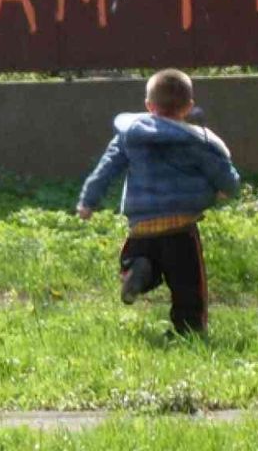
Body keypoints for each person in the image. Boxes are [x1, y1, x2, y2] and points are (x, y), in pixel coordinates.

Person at [76, 69, 240, 336]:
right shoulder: (195, 140)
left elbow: (106, 169)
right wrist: (227, 189)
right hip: (181, 227)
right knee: (188, 284)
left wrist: (89, 201)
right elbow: (220, 169)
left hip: (142, 226)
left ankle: (138, 271)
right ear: (188, 107)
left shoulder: (129, 135)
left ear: (148, 106)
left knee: (142, 263)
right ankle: (190, 330)